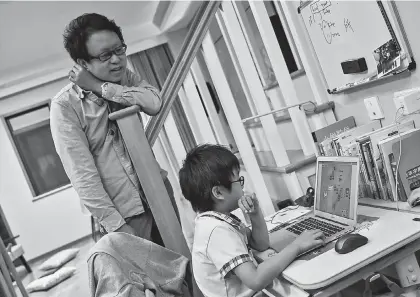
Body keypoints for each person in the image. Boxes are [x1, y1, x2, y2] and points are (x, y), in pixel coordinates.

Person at [50, 13, 179, 246]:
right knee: (149, 281)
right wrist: (116, 225)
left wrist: (100, 87)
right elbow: (82, 175)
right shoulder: (65, 106)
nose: (117, 60)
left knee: (183, 265)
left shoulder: (126, 79)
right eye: (105, 55)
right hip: (124, 213)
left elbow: (154, 103)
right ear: (82, 64)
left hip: (158, 192)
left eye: (119, 50)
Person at [179, 144, 324, 297]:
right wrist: (297, 246)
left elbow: (260, 244)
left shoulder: (219, 219)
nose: (243, 186)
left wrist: (255, 214)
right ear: (219, 192)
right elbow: (255, 279)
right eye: (238, 180)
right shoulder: (215, 231)